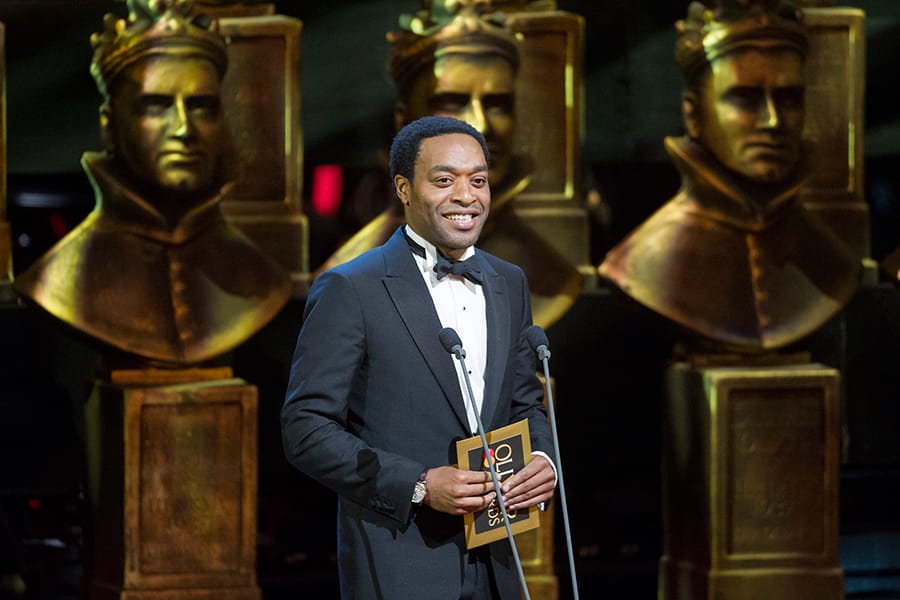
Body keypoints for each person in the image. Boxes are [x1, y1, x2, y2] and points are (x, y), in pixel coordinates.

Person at [281, 115, 557, 599]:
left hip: (497, 559)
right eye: (445, 180)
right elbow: (305, 428)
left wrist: (542, 458)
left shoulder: (508, 282)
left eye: (478, 180)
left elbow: (525, 402)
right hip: (399, 561)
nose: (467, 196)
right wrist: (420, 484)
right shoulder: (351, 288)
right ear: (405, 189)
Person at [13, 0, 291, 366]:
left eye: (201, 107)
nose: (183, 129)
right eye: (155, 106)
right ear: (109, 124)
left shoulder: (263, 280)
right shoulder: (56, 283)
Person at [598, 0, 860, 353]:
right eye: (745, 99)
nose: (772, 122)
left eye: (788, 99)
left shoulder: (836, 266)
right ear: (693, 114)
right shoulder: (642, 267)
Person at [317, 0, 582, 330]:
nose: (481, 124)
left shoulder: (550, 279)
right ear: (404, 119)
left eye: (498, 105)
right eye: (452, 102)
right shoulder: (349, 279)